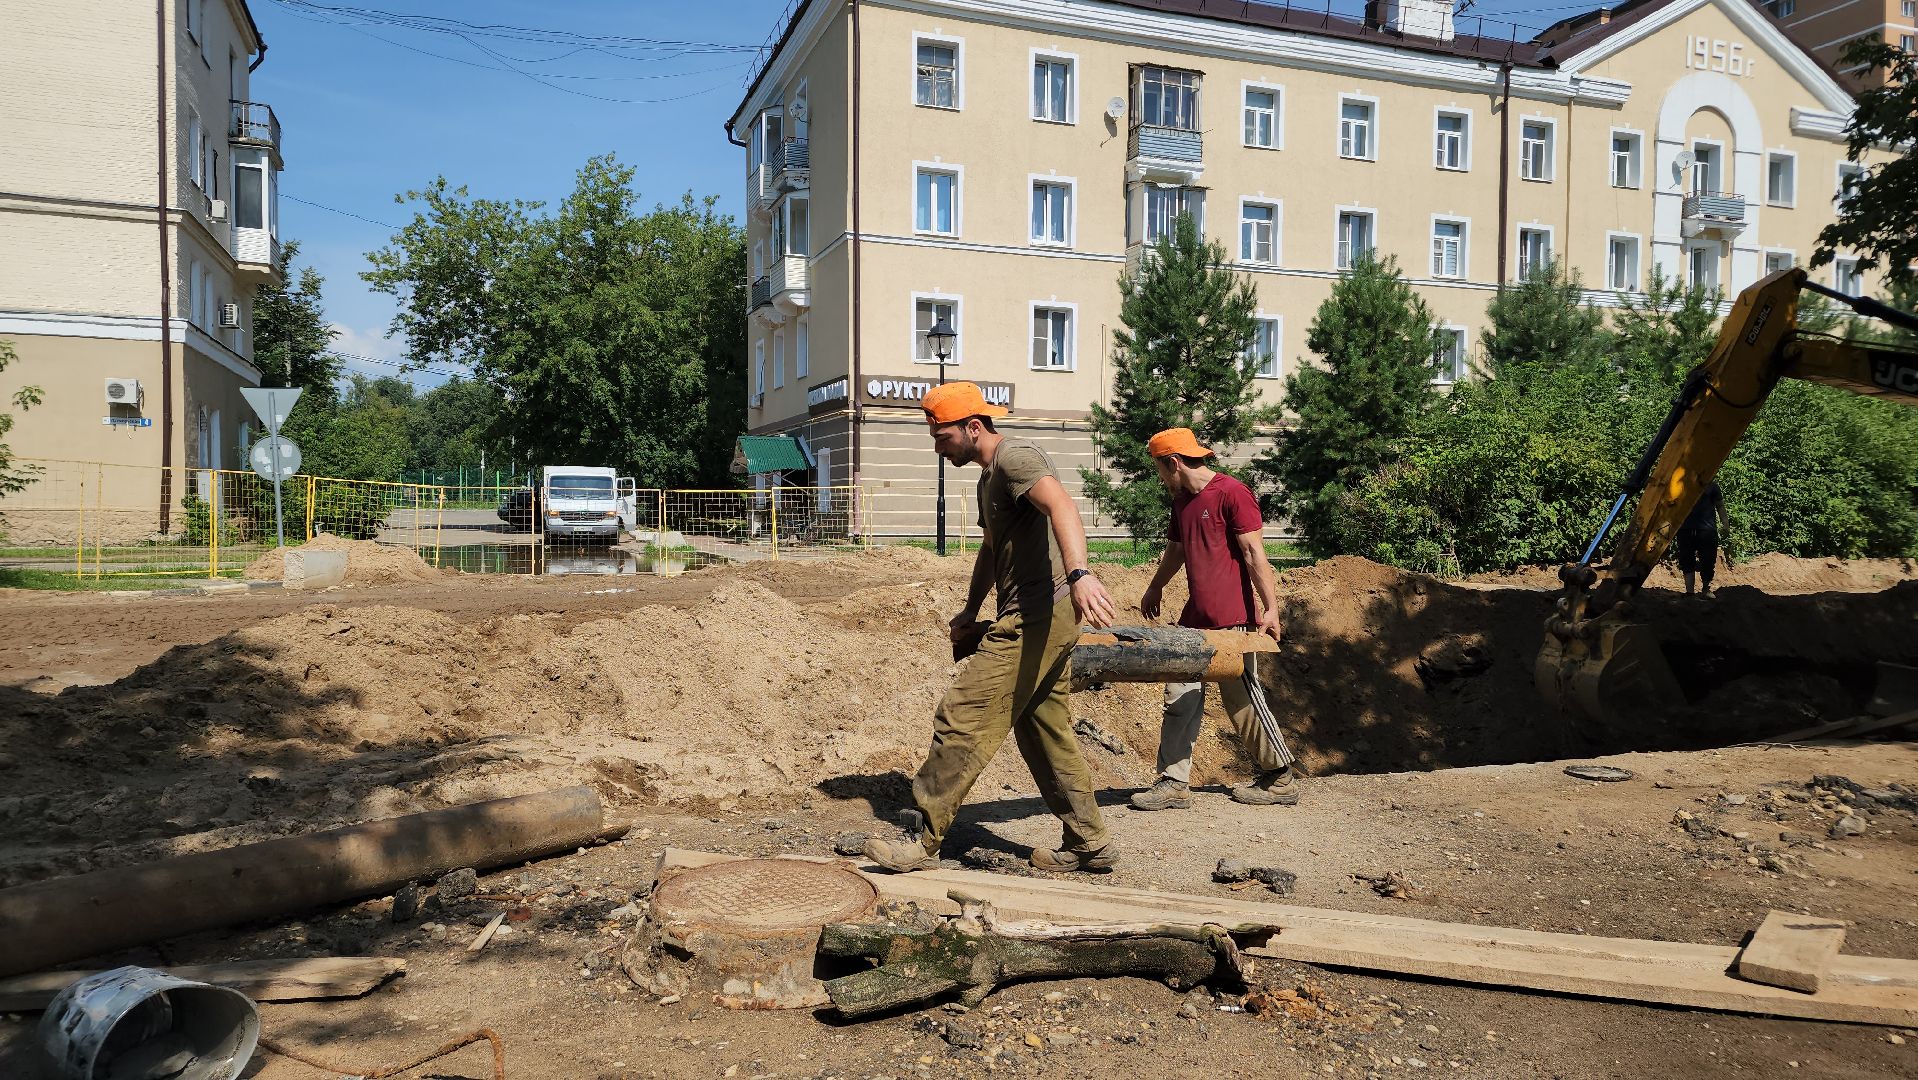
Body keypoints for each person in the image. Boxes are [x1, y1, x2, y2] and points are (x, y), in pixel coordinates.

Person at [864, 381, 1122, 874]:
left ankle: (920, 839)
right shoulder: (988, 479)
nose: (938, 448)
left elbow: (1063, 506)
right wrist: (970, 610)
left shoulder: (1015, 458)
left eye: (942, 438)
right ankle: (1090, 842)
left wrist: (1081, 573)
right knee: (1045, 730)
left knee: (962, 712)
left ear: (973, 427)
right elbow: (990, 549)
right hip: (1032, 612)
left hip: (1039, 613)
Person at [1129, 428, 1301, 812]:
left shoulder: (1231, 493)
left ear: (1172, 463)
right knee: (1179, 695)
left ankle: (1279, 778)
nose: (1160, 477)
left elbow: (1255, 554)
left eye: (1159, 469)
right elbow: (1175, 550)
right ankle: (1173, 782)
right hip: (1195, 620)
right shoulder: (1182, 502)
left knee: (1242, 698)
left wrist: (1270, 608)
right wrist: (1155, 587)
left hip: (1233, 620)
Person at [1676, 481, 1731, 597]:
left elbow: (1720, 505)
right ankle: (1689, 592)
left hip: (1707, 530)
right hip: (1685, 529)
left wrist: (1725, 524)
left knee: (1708, 560)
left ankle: (1706, 589)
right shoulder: (1680, 483)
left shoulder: (1712, 486)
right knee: (1686, 560)